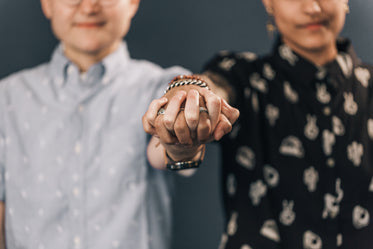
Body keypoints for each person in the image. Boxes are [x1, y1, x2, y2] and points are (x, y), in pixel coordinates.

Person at [0, 0, 237, 248]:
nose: (89, 7)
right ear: (47, 4)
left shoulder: (158, 88)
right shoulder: (6, 100)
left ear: (133, 3)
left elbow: (168, 149)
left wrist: (183, 121)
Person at [143, 0, 373, 248]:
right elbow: (212, 90)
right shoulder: (244, 78)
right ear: (269, 3)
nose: (312, 8)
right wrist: (188, 105)